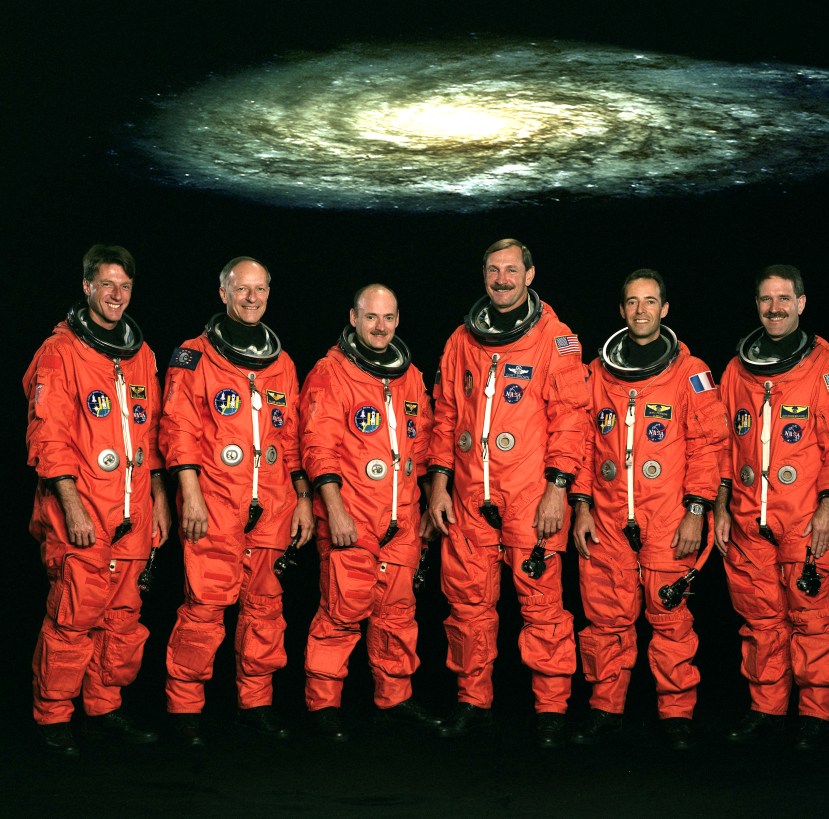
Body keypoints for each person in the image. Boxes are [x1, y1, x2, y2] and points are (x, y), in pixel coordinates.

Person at [427, 238, 590, 748]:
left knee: (542, 607)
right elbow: (446, 414)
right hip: (470, 498)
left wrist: (556, 490)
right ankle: (473, 704)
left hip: (530, 497)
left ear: (530, 274)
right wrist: (438, 482)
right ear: (484, 276)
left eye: (511, 270)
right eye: (494, 271)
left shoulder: (555, 340)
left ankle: (551, 711)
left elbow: (570, 421)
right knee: (469, 607)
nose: (502, 279)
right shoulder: (461, 340)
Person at [570, 269, 729, 750]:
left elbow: (709, 446)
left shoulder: (691, 372)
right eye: (632, 302)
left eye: (650, 302)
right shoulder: (596, 373)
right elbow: (579, 443)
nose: (640, 311)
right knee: (605, 620)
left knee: (671, 620)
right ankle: (605, 710)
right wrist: (580, 506)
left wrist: (697, 511)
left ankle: (677, 714)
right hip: (608, 517)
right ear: (621, 311)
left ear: (665, 309)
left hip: (669, 518)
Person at [25, 244, 172, 756]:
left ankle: (104, 708)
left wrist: (159, 502)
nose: (115, 295)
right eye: (106, 284)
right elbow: (49, 440)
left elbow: (152, 437)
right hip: (82, 513)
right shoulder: (59, 353)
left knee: (122, 620)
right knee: (72, 618)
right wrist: (72, 508)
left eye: (124, 286)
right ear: (86, 286)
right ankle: (53, 717)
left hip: (132, 515)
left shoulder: (142, 355)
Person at [160, 257, 313, 746]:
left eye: (260, 290)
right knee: (204, 608)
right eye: (241, 289)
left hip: (271, 505)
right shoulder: (193, 356)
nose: (252, 298)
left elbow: (289, 441)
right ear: (222, 292)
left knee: (265, 609)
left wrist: (302, 499)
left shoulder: (282, 362)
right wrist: (190, 497)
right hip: (215, 504)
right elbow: (178, 432)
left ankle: (256, 703)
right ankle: (185, 709)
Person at [714, 265, 829, 751]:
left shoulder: (827, 369)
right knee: (759, 622)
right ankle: (766, 710)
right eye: (765, 299)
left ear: (802, 303)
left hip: (805, 518)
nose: (774, 308)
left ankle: (816, 715)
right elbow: (722, 446)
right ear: (757, 305)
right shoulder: (737, 369)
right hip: (747, 519)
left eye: (784, 299)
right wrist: (719, 507)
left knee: (812, 620)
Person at [299, 284, 439, 741]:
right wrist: (334, 511)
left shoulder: (411, 376)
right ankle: (323, 706)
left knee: (397, 615)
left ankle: (394, 700)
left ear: (398, 321)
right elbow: (318, 449)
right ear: (354, 318)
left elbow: (421, 447)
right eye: (371, 317)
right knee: (340, 613)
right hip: (351, 516)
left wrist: (429, 501)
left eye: (389, 318)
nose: (381, 327)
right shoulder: (330, 372)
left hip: (401, 520)